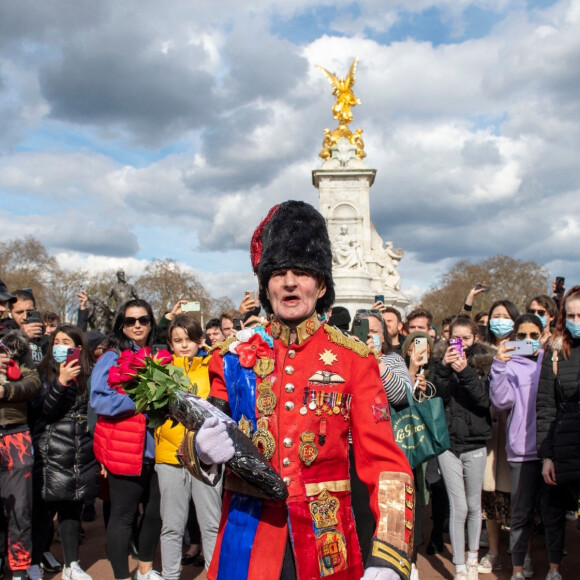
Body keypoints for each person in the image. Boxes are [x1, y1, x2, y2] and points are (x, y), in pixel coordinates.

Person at [192, 201, 415, 580]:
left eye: (302, 272)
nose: (290, 282)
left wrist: (392, 552)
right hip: (247, 539)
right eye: (279, 273)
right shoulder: (230, 360)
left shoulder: (354, 361)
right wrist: (200, 451)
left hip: (326, 542)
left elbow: (387, 463)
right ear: (266, 285)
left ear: (322, 284)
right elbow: (200, 439)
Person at [90, 299, 162, 580]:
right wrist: (139, 399)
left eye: (143, 320)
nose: (137, 325)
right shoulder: (111, 356)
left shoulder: (158, 354)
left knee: (155, 513)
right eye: (131, 320)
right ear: (121, 324)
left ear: (151, 323)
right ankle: (121, 576)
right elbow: (99, 399)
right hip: (125, 449)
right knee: (122, 517)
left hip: (159, 450)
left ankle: (145, 569)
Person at [155, 313, 222, 580]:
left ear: (200, 340)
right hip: (169, 457)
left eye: (190, 339)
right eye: (177, 340)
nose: (184, 345)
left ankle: (213, 574)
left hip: (206, 456)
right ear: (170, 344)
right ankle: (170, 575)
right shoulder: (159, 371)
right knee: (171, 526)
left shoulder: (213, 367)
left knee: (211, 524)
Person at [30, 324, 99, 580]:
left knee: (72, 510)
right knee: (43, 512)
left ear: (77, 348)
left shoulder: (91, 373)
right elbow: (44, 410)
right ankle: (33, 562)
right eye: (56, 341)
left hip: (80, 450)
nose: (60, 346)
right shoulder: (42, 372)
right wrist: (61, 381)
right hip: (50, 450)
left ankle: (72, 564)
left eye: (66, 342)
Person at [434, 316, 493, 580]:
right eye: (455, 339)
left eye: (466, 339)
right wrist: (445, 368)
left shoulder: (485, 363)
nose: (460, 344)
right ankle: (459, 565)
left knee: (473, 504)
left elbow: (483, 401)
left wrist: (465, 370)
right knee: (458, 506)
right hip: (448, 444)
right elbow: (436, 395)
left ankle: (472, 557)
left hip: (475, 443)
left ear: (475, 338)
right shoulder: (440, 362)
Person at [489, 313, 545, 580]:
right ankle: (519, 566)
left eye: (534, 335)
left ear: (543, 335)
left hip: (550, 449)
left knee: (551, 514)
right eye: (521, 336)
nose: (528, 340)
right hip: (521, 450)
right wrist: (499, 365)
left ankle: (551, 565)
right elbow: (500, 403)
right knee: (520, 514)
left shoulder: (552, 361)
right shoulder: (508, 364)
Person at [536, 285, 580, 580]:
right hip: (562, 446)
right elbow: (546, 407)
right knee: (554, 512)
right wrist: (546, 456)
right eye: (573, 315)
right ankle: (554, 569)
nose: (578, 320)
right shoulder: (556, 353)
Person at [480, 300, 520, 574]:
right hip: (486, 432)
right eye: (496, 316)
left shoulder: (523, 349)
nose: (501, 320)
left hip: (515, 432)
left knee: (517, 496)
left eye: (506, 316)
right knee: (490, 496)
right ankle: (494, 551)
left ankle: (520, 552)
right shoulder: (480, 351)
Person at [0, 330, 41, 580]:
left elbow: (34, 383)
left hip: (16, 435)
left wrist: (5, 391)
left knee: (20, 508)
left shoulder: (16, 342)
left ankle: (19, 568)